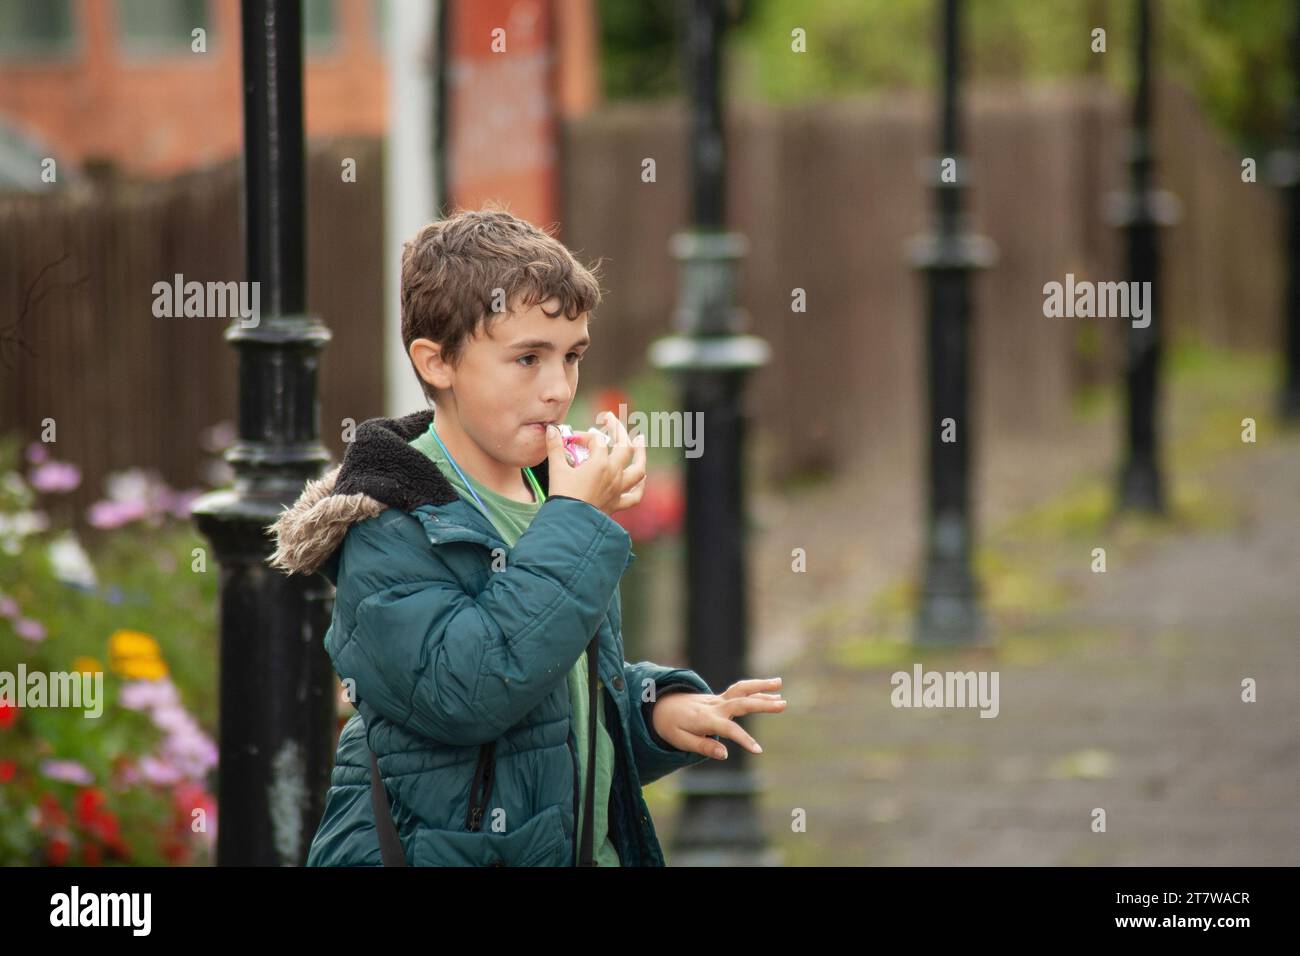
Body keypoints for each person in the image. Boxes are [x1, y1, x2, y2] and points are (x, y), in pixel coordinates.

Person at [266, 207, 786, 866]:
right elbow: (474, 689)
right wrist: (576, 520)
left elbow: (556, 686)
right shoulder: (386, 525)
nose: (558, 388)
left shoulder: (545, 494)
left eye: (571, 357)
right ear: (437, 362)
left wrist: (654, 712)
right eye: (527, 358)